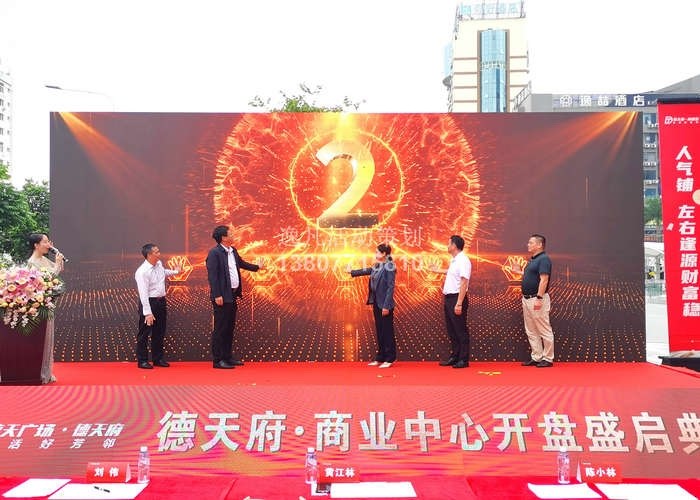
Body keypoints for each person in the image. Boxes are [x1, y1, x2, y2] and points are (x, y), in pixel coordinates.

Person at [206, 225, 261, 369]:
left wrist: (257, 267)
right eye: (231, 234)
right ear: (223, 238)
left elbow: (241, 264)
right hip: (222, 296)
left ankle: (227, 357)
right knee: (221, 328)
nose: (234, 235)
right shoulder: (214, 253)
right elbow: (212, 276)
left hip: (232, 295)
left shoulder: (233, 251)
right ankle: (218, 360)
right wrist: (217, 294)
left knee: (229, 327)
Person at [349, 243, 397, 368]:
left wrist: (386, 306)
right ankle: (380, 357)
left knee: (387, 331)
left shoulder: (390, 266)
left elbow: (390, 287)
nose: (375, 254)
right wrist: (352, 272)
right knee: (380, 330)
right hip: (376, 301)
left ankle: (390, 358)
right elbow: (368, 270)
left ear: (384, 254)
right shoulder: (378, 265)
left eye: (377, 252)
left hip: (385, 304)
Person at [26, 233, 64, 384]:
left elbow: (55, 272)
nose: (48, 245)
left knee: (49, 338)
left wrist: (58, 261)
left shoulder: (43, 259)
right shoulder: (32, 262)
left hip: (48, 302)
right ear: (36, 245)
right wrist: (57, 264)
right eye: (45, 242)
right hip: (39, 305)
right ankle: (41, 373)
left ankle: (47, 372)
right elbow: (47, 281)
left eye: (49, 242)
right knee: (44, 338)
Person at [134, 243, 179, 369]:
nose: (159, 254)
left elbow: (163, 273)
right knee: (144, 333)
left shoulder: (158, 264)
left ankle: (158, 358)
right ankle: (142, 360)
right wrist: (148, 313)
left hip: (161, 302)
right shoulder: (142, 272)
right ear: (149, 255)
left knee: (159, 331)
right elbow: (143, 294)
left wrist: (176, 271)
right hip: (149, 303)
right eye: (157, 252)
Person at [433, 235, 471, 369]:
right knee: (452, 330)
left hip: (457, 298)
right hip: (449, 298)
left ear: (454, 246)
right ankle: (455, 356)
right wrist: (436, 270)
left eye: (449, 244)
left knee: (460, 330)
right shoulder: (454, 260)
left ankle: (463, 359)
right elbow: (451, 273)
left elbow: (464, 281)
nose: (447, 246)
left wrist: (459, 303)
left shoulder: (463, 260)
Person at [520, 234, 555, 368]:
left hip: (537, 298)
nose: (528, 245)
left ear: (539, 245)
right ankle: (537, 356)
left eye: (531, 243)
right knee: (531, 330)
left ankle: (548, 358)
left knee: (543, 329)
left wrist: (539, 298)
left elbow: (544, 279)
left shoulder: (544, 259)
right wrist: (518, 271)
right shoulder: (533, 260)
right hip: (527, 299)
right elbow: (531, 277)